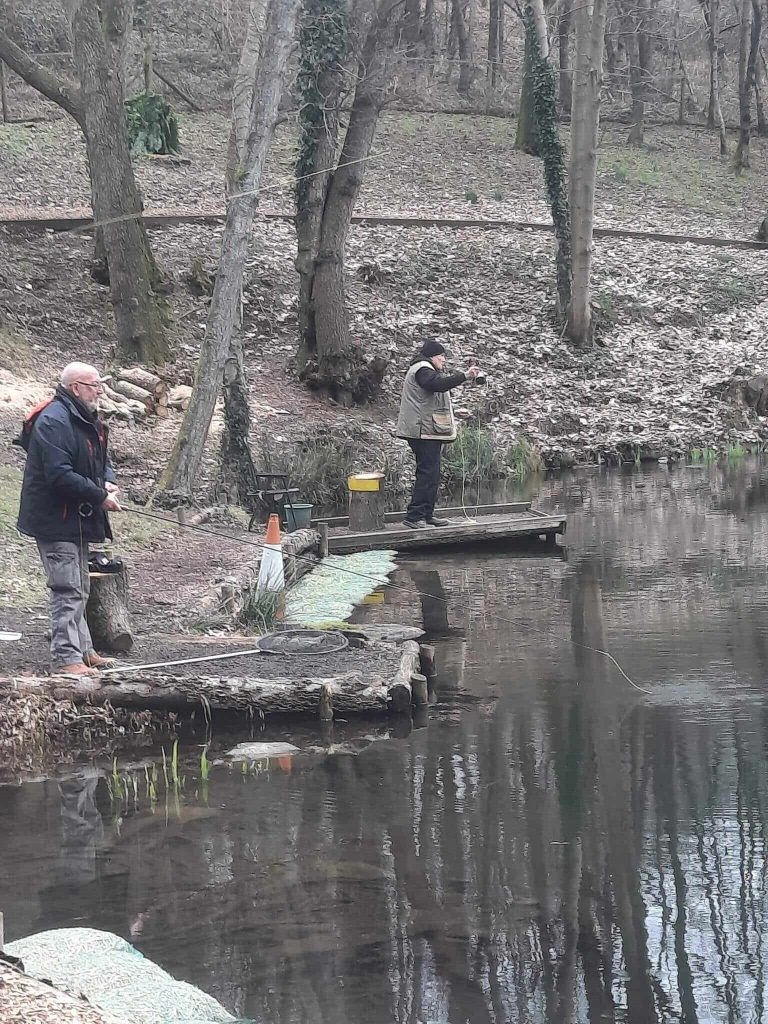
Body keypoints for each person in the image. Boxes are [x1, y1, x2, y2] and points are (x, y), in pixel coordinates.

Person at [16, 362, 122, 676]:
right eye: (94, 385)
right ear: (75, 387)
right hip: (55, 519)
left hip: (78, 518)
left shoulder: (85, 417)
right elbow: (59, 475)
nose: (100, 390)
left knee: (82, 586)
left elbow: (100, 461)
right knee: (66, 589)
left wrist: (107, 480)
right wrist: (99, 496)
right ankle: (66, 659)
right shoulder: (53, 419)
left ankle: (84, 650)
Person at [396, 341, 478, 529]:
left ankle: (426, 515)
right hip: (421, 431)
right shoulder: (422, 369)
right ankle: (414, 516)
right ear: (433, 356)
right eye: (441, 355)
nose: (443, 359)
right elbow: (436, 385)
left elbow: (433, 393)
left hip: (426, 430)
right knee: (427, 473)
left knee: (432, 473)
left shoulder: (425, 369)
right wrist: (464, 376)